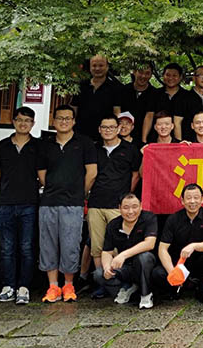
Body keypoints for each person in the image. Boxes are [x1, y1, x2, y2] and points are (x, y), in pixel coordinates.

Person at [38, 104, 98, 303]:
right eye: (60, 118)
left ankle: (69, 285)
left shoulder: (85, 143)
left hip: (73, 203)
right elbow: (42, 174)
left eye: (67, 118)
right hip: (49, 202)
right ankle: (53, 286)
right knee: (48, 244)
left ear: (73, 121)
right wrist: (54, 187)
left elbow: (92, 172)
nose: (63, 122)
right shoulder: (46, 145)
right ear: (53, 121)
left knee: (70, 244)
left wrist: (80, 192)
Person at [0, 106, 41, 305]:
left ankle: (24, 288)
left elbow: (43, 173)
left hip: (29, 203)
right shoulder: (3, 145)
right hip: (6, 203)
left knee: (27, 247)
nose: (23, 124)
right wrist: (8, 185)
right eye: (19, 120)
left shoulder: (38, 146)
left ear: (33, 124)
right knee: (7, 248)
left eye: (27, 120)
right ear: (13, 121)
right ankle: (8, 286)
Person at [88, 115, 141, 298]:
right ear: (99, 129)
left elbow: (136, 175)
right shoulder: (94, 149)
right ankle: (102, 282)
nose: (108, 130)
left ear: (118, 129)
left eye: (112, 127)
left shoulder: (130, 150)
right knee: (97, 246)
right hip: (96, 203)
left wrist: (126, 199)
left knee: (119, 245)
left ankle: (123, 281)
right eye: (104, 127)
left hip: (118, 206)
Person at [152, 183, 203, 303]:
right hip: (179, 262)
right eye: (188, 198)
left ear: (202, 199)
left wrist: (193, 246)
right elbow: (162, 248)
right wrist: (172, 272)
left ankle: (201, 287)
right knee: (157, 273)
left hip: (199, 261)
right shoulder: (173, 219)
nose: (192, 201)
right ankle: (178, 286)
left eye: (196, 198)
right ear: (182, 201)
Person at [93, 192, 156, 309]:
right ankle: (128, 288)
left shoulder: (148, 218)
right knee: (98, 274)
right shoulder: (113, 225)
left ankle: (146, 295)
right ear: (119, 208)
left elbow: (150, 243)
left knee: (144, 257)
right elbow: (107, 251)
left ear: (141, 206)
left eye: (134, 207)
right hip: (125, 268)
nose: (130, 211)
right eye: (126, 208)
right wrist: (107, 268)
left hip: (145, 267)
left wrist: (123, 255)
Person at [72, 54, 122, 141]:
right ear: (90, 67)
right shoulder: (81, 85)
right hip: (81, 133)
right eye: (94, 65)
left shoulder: (115, 87)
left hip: (105, 135)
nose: (97, 68)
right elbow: (74, 109)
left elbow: (117, 112)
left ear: (107, 67)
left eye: (101, 65)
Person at [142, 63, 190, 142]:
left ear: (180, 77)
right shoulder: (155, 94)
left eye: (174, 75)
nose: (171, 78)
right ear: (163, 76)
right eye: (168, 75)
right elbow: (149, 116)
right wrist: (144, 140)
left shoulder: (187, 96)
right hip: (157, 140)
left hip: (183, 140)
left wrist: (180, 144)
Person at [119, 63, 154, 135]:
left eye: (147, 73)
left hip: (147, 136)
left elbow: (149, 116)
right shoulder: (123, 90)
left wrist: (144, 139)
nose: (143, 76)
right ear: (134, 72)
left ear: (151, 75)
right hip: (123, 134)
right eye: (140, 72)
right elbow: (117, 112)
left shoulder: (155, 93)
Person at [182, 65, 203, 141]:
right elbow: (177, 122)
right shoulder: (184, 97)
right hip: (188, 141)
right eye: (201, 75)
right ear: (194, 78)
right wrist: (179, 142)